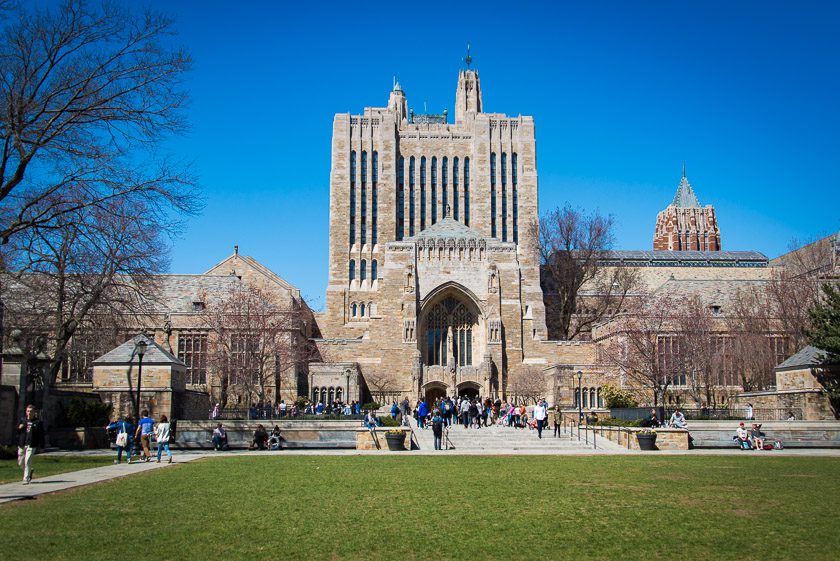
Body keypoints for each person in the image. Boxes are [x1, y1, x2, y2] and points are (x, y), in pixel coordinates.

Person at [17, 404, 45, 484]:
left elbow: (41, 435)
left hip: (32, 444)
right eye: (28, 411)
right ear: (26, 412)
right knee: (20, 462)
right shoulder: (23, 420)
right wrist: (19, 427)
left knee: (28, 461)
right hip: (22, 443)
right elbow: (17, 430)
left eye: (31, 411)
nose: (29, 413)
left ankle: (26, 478)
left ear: (34, 412)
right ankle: (30, 471)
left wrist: (42, 446)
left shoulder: (38, 422)